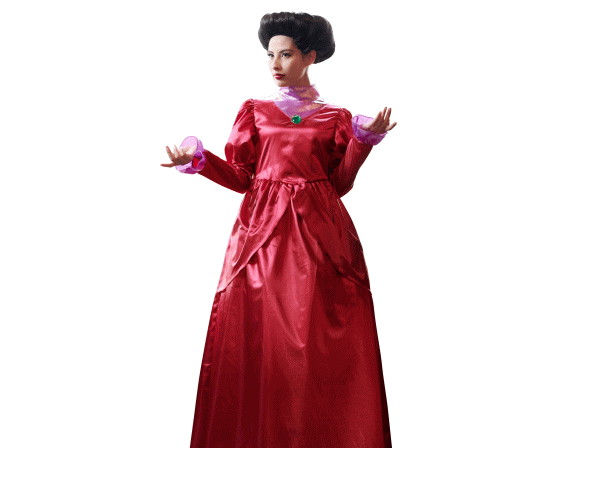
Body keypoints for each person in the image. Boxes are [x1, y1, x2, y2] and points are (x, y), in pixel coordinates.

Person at [161, 11, 396, 448]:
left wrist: (364, 142)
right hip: (261, 238)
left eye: (285, 54)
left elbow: (340, 182)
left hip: (321, 237)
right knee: (261, 337)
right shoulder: (255, 112)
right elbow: (241, 177)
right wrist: (198, 163)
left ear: (310, 56)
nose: (275, 64)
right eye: (270, 55)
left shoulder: (336, 117)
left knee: (319, 338)